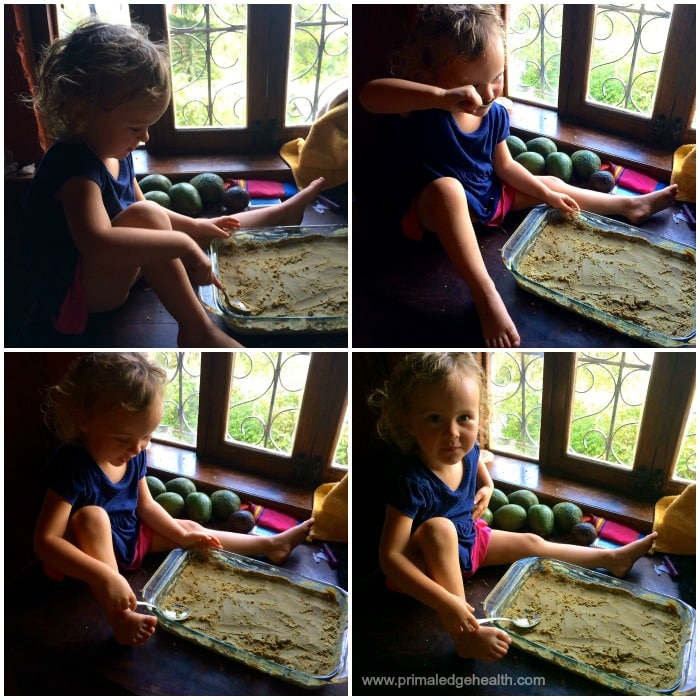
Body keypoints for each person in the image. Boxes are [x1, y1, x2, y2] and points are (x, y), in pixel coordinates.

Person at [359, 5, 678, 348]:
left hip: (486, 201)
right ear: (432, 77)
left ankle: (631, 205)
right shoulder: (422, 107)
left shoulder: (494, 114)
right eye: (471, 84)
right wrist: (442, 99)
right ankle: (485, 294)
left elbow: (507, 167)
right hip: (434, 216)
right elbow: (369, 96)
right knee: (448, 190)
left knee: (552, 184)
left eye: (496, 78)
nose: (488, 93)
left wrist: (546, 193)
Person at [21, 20, 326, 347]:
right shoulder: (72, 164)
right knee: (157, 221)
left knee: (204, 226)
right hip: (75, 301)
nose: (145, 138)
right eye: (135, 127)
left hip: (113, 269)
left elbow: (139, 210)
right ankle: (197, 329)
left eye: (149, 126)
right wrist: (183, 243)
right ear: (82, 112)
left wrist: (195, 227)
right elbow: (98, 242)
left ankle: (282, 213)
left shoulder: (113, 147)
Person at [368, 352, 658, 661]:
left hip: (470, 543)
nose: (452, 433)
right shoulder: (409, 479)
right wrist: (444, 601)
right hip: (427, 568)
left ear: (478, 416)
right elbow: (391, 558)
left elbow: (477, 459)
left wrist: (488, 485)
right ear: (409, 422)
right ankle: (467, 636)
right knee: (440, 527)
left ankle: (612, 558)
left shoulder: (467, 450)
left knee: (532, 542)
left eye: (464, 418)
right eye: (434, 419)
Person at [34, 352, 315, 647]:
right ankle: (120, 618)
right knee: (92, 516)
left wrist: (181, 536)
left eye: (147, 436)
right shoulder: (71, 465)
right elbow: (46, 541)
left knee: (190, 529)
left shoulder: (134, 452)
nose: (137, 448)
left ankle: (271, 545)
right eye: (123, 439)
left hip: (129, 540)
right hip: (89, 560)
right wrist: (105, 576)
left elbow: (146, 505)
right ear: (84, 419)